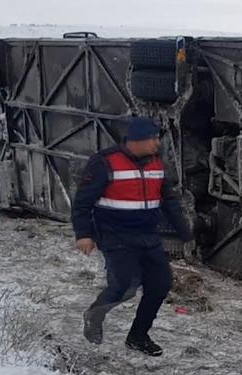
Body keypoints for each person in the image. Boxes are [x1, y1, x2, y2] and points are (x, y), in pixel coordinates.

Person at [72, 117, 192, 356]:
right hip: (116, 236)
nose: (158, 143)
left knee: (160, 285)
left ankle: (138, 336)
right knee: (124, 287)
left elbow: (169, 201)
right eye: (153, 139)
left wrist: (185, 233)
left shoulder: (157, 163)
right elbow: (82, 202)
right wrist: (84, 234)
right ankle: (94, 314)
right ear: (136, 140)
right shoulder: (104, 162)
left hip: (148, 236)